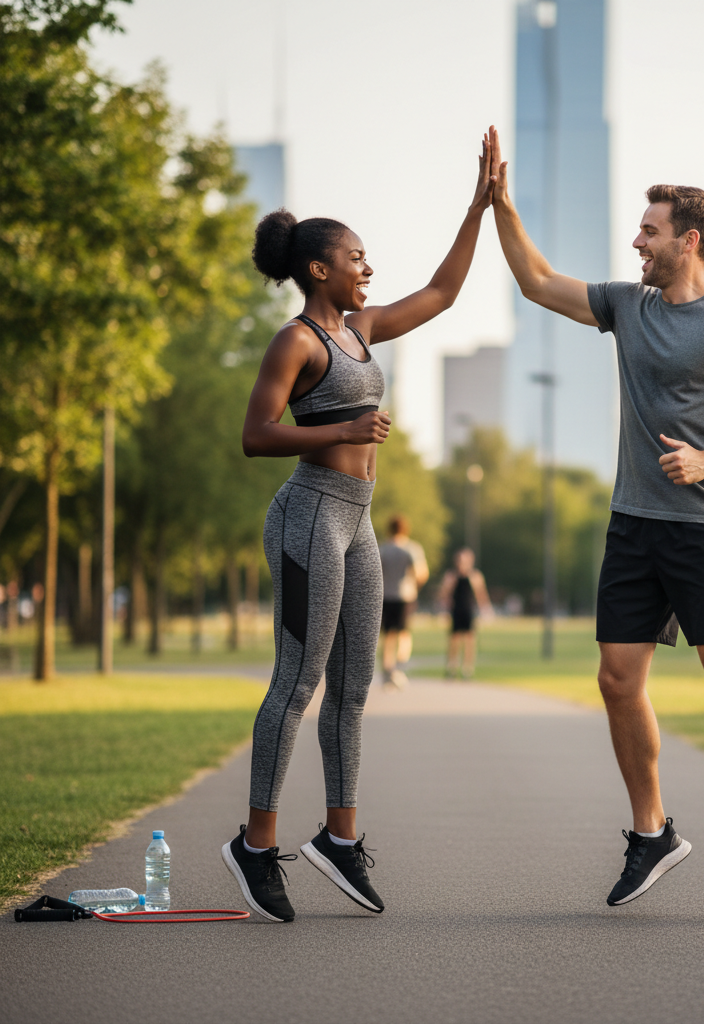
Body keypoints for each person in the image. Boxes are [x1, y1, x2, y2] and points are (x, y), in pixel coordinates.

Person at [486, 126, 704, 914]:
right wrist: (501, 205)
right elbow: (537, 281)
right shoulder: (628, 305)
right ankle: (651, 832)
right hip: (633, 523)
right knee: (616, 679)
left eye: (649, 232)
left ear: (688, 241)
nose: (636, 242)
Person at [221, 136, 494, 923]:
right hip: (307, 514)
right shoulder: (297, 341)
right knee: (297, 683)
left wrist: (478, 206)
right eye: (356, 256)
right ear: (318, 268)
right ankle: (256, 844)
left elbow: (442, 291)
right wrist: (341, 433)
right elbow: (256, 434)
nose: (367, 268)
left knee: (353, 688)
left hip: (358, 525)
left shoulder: (362, 329)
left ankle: (339, 839)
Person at [378, 514, 429, 688]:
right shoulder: (411, 548)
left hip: (385, 595)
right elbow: (421, 572)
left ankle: (387, 670)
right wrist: (415, 586)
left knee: (388, 634)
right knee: (404, 633)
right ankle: (399, 668)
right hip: (405, 595)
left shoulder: (383, 548)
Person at [437, 547, 492, 679]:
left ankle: (468, 668)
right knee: (454, 641)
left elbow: (481, 595)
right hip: (456, 611)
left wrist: (486, 610)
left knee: (469, 640)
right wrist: (442, 608)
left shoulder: (475, 576)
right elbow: (443, 594)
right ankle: (452, 666)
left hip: (468, 610)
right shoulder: (451, 576)